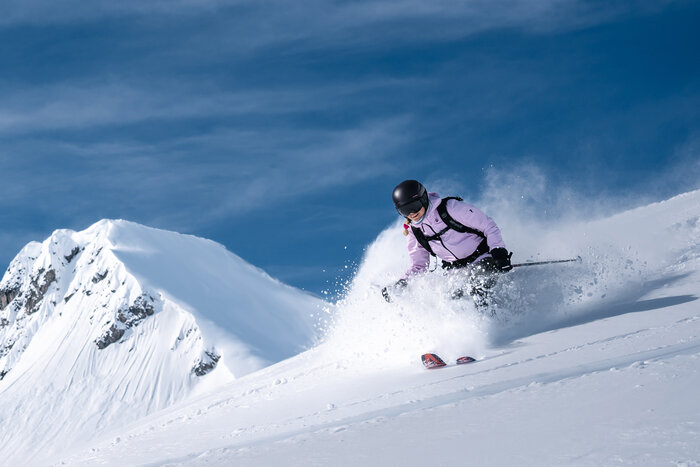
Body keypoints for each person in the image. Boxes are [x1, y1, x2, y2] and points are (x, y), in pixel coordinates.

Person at [382, 180, 513, 306]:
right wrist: (403, 282)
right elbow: (419, 265)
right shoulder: (414, 231)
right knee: (450, 301)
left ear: (423, 199)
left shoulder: (450, 208)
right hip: (456, 271)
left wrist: (499, 252)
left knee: (478, 287)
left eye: (414, 206)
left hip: (482, 258)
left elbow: (488, 226)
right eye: (405, 210)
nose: (412, 213)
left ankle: (493, 324)